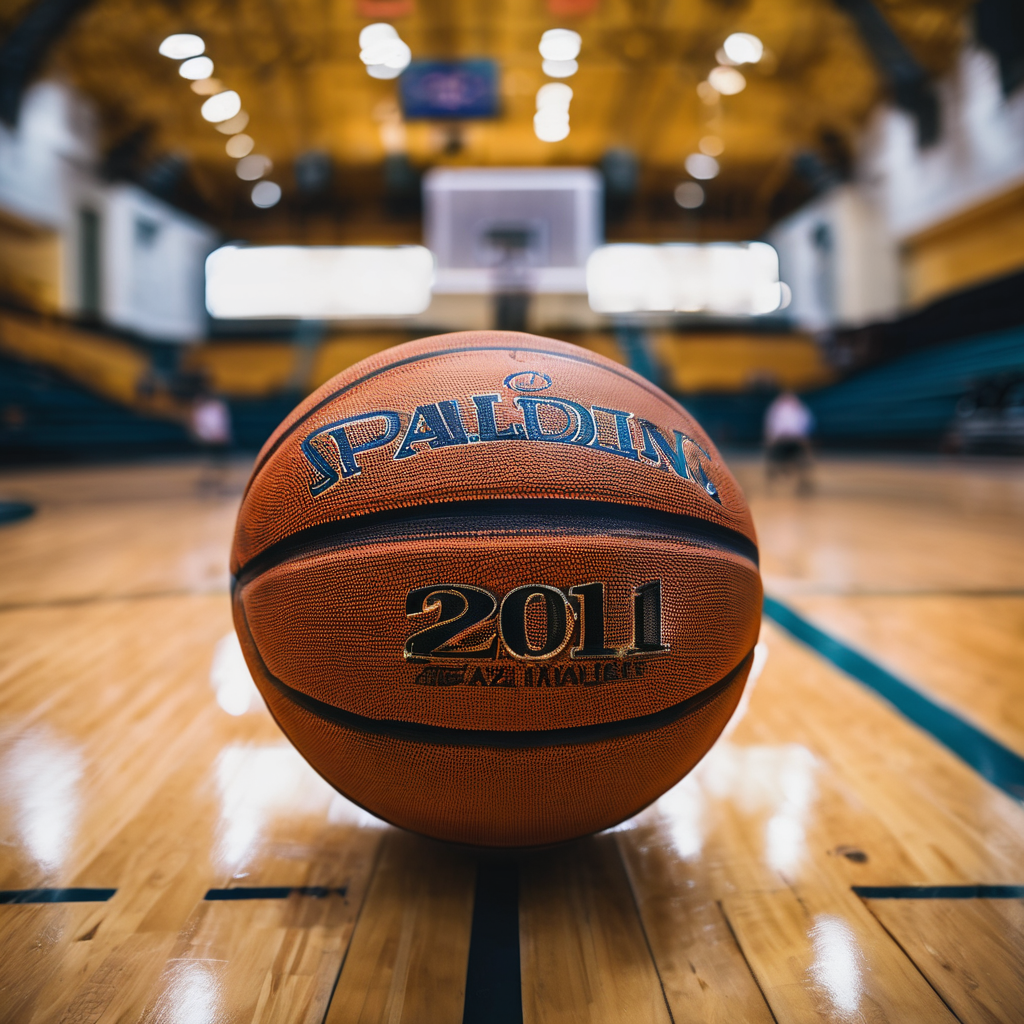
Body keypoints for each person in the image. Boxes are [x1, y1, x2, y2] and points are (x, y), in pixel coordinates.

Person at [764, 390, 814, 494]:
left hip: (796, 440)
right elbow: (770, 425)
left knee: (804, 460)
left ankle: (804, 483)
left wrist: (803, 438)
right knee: (772, 460)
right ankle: (771, 484)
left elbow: (807, 424)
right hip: (780, 441)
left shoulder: (800, 409)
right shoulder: (776, 408)